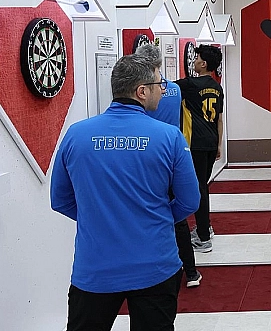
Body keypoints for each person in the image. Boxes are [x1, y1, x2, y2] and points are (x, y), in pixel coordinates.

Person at [50, 54, 200, 331]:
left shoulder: (75, 135)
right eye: (159, 84)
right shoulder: (169, 137)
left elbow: (60, 200)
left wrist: (98, 218)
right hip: (155, 264)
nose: (163, 90)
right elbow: (190, 201)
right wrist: (158, 219)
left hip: (95, 268)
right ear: (142, 91)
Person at [137, 44, 202, 288]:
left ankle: (154, 269)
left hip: (147, 157)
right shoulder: (174, 88)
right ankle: (191, 272)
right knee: (179, 219)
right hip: (172, 155)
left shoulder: (142, 92)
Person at [176, 44, 224, 253]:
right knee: (203, 186)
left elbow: (163, 86)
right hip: (211, 142)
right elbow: (219, 119)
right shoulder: (217, 88)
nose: (193, 61)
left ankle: (203, 237)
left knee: (199, 189)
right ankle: (206, 227)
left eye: (196, 58)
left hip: (196, 143)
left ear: (203, 63)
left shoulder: (189, 84)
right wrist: (219, 144)